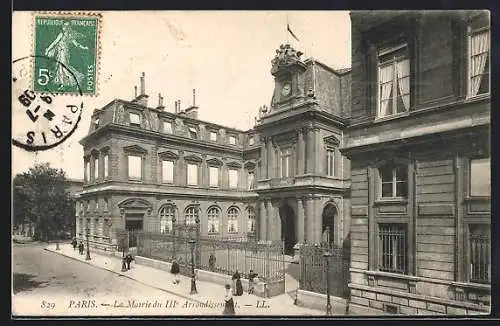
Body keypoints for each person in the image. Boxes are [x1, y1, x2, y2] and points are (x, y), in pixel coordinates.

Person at [44, 21, 88, 89]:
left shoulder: (69, 35)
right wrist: (48, 50)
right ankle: (62, 84)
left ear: (69, 27)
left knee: (64, 67)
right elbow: (54, 43)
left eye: (67, 26)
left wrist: (84, 47)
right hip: (60, 52)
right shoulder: (62, 34)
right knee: (60, 68)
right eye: (64, 26)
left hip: (64, 53)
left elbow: (76, 44)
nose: (65, 28)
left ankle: (77, 78)